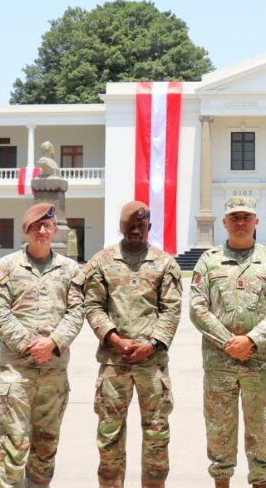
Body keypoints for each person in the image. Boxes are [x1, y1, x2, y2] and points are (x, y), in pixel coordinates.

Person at [190, 196, 266, 488]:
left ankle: (260, 482)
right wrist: (227, 341)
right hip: (219, 364)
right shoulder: (209, 261)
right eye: (234, 217)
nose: (241, 222)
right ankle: (222, 482)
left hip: (259, 363)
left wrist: (251, 340)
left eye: (246, 217)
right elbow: (197, 307)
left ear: (256, 222)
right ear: (225, 222)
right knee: (219, 430)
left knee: (260, 429)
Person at [83, 201, 181, 488]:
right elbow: (93, 306)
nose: (135, 231)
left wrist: (151, 344)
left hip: (152, 365)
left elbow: (171, 309)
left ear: (149, 227)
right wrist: (113, 337)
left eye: (141, 226)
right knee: (109, 436)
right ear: (121, 228)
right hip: (114, 365)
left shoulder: (165, 263)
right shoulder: (101, 262)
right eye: (130, 226)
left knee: (156, 435)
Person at [0, 203, 85, 487]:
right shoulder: (6, 267)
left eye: (47, 226)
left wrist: (54, 342)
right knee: (13, 449)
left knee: (45, 451)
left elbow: (77, 311)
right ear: (26, 230)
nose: (42, 231)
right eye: (35, 226)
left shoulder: (70, 270)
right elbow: (0, 313)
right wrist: (32, 345)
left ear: (55, 230)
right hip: (17, 374)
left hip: (54, 374)